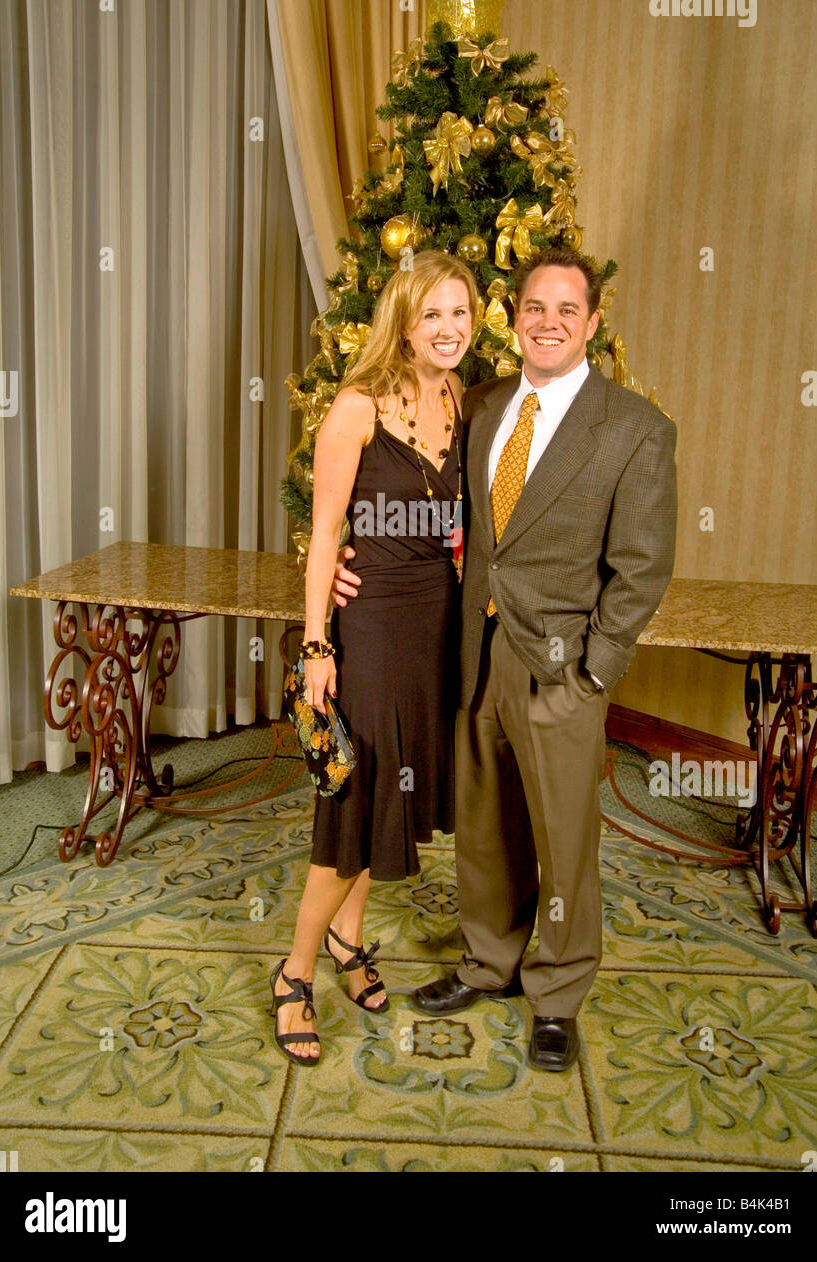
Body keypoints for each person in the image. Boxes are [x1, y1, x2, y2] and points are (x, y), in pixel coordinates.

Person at [333, 246, 677, 1071]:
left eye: (568, 310)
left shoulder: (634, 428)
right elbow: (403, 490)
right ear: (513, 317)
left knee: (563, 838)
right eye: (534, 307)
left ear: (592, 323)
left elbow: (643, 567)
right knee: (483, 824)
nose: (549, 322)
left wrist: (596, 668)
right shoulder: (476, 403)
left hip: (562, 664)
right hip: (474, 650)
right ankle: (489, 959)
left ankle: (556, 991)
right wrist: (350, 549)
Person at [270, 250, 479, 1065]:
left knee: (397, 784)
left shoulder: (464, 400)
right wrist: (317, 643)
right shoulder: (357, 407)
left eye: (460, 313)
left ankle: (349, 940)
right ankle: (294, 972)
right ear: (405, 319)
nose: (449, 328)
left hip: (436, 624)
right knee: (352, 801)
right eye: (433, 314)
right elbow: (324, 537)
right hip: (371, 628)